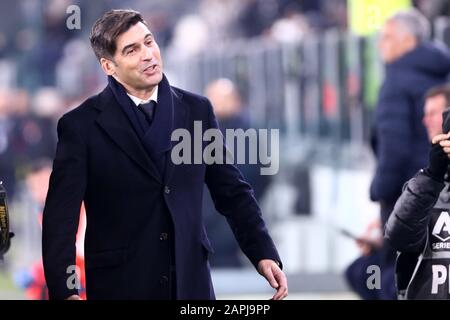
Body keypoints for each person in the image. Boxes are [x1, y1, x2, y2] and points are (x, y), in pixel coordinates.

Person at [42, 9, 287, 300]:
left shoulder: (197, 112)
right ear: (109, 66)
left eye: (149, 42)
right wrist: (66, 290)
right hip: (120, 286)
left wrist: (262, 252)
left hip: (188, 283)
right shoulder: (80, 126)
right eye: (132, 50)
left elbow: (232, 191)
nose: (147, 55)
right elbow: (61, 216)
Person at [369, 8, 450, 298]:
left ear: (407, 40)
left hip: (410, 194)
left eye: (387, 38)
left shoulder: (396, 82)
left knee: (398, 277)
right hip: (442, 190)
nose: (381, 45)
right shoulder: (442, 73)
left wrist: (379, 191)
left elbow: (394, 150)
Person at [385, 84, 450, 299]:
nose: (426, 121)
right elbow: (398, 236)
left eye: (433, 113)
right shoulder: (425, 181)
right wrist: (433, 175)